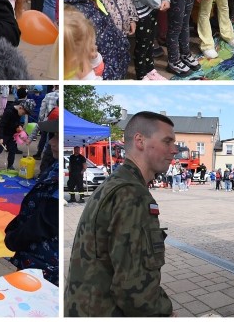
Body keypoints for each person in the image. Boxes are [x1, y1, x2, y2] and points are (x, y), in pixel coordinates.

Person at [65, 111, 176, 316]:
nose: (175, 149)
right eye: (167, 141)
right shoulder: (131, 194)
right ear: (140, 141)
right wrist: (164, 313)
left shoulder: (117, 183)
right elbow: (134, 290)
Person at [5, 108, 60, 285]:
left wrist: (15, 238)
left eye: (57, 136)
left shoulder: (59, 174)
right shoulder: (53, 167)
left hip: (44, 264)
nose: (51, 141)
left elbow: (43, 223)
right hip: (35, 258)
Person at [0, 99, 34, 171]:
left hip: (13, 134)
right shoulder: (9, 112)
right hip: (4, 134)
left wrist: (18, 127)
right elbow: (1, 124)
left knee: (12, 150)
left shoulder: (19, 112)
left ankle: (10, 165)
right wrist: (0, 137)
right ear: (20, 107)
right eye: (23, 113)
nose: (23, 115)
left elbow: (16, 121)